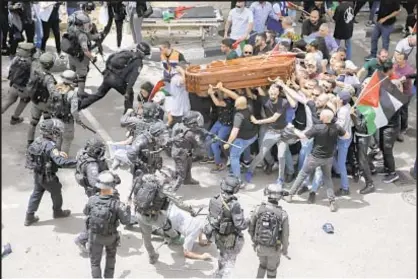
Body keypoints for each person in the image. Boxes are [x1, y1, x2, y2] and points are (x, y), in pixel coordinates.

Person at [285, 109, 350, 212]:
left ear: (323, 118)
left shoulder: (317, 128)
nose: (319, 116)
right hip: (328, 158)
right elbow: (347, 136)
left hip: (314, 157)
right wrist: (339, 130)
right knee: (327, 179)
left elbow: (302, 136)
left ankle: (290, 195)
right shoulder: (337, 127)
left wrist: (293, 128)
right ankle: (332, 202)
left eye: (321, 115)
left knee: (302, 174)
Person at [132, 173, 198, 264]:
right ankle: (176, 238)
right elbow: (178, 203)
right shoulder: (164, 187)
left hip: (139, 213)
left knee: (146, 238)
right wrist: (190, 210)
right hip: (153, 216)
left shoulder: (145, 182)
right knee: (166, 225)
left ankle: (152, 256)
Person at [24, 118, 77, 226]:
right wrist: (77, 162)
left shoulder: (38, 140)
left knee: (36, 193)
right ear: (51, 132)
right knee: (56, 192)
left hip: (38, 174)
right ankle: (57, 211)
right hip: (48, 176)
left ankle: (29, 216)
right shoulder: (50, 146)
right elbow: (61, 162)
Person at [246, 81, 297, 186]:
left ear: (278, 93)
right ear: (268, 92)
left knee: (281, 156)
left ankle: (281, 179)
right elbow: (259, 92)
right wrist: (258, 86)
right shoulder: (265, 100)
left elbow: (275, 117)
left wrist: (257, 121)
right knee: (261, 154)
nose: (273, 94)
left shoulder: (283, 102)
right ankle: (250, 171)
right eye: (271, 92)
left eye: (275, 92)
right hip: (272, 132)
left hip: (283, 133)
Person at [78, 43, 151, 113]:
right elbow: (132, 78)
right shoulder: (138, 62)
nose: (145, 57)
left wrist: (106, 70)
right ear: (141, 53)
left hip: (108, 75)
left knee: (98, 94)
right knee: (130, 95)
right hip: (118, 81)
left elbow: (111, 57)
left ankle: (79, 106)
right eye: (145, 54)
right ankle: (128, 115)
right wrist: (128, 92)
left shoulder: (126, 52)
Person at [84, 171, 131, 278]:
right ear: (112, 186)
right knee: (110, 260)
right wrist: (128, 207)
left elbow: (86, 212)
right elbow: (126, 221)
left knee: (95, 263)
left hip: (95, 236)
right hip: (111, 237)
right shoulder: (116, 203)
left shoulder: (92, 199)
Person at [203, 175, 248, 278]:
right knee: (229, 261)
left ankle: (218, 273)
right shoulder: (234, 204)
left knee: (222, 255)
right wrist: (249, 221)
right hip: (229, 237)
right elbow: (240, 225)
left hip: (217, 235)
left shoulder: (215, 198)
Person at [248, 184, 290, 279]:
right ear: (279, 197)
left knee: (262, 265)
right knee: (272, 269)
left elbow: (251, 226)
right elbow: (285, 235)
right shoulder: (283, 214)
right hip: (274, 249)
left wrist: (254, 241)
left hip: (260, 246)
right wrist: (285, 249)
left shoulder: (258, 209)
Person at [26, 52, 60, 147]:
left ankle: (29, 143)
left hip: (35, 101)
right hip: (46, 103)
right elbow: (53, 92)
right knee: (48, 123)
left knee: (33, 122)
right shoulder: (48, 78)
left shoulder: (35, 70)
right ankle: (47, 143)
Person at [63, 11, 99, 97]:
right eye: (85, 24)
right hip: (80, 58)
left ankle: (68, 91)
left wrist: (97, 35)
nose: (87, 26)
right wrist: (93, 57)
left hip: (71, 56)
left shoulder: (71, 29)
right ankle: (81, 93)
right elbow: (85, 51)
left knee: (72, 73)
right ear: (80, 24)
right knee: (82, 75)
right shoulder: (82, 35)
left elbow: (89, 36)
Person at [224, 96, 258, 187]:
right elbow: (252, 117)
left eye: (236, 103)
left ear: (238, 105)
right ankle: (246, 161)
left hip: (243, 138)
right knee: (244, 147)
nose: (234, 104)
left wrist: (228, 143)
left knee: (234, 156)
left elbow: (235, 131)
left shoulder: (238, 116)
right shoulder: (249, 107)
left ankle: (238, 181)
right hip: (253, 136)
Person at [170, 111, 205, 191]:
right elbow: (201, 146)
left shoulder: (178, 125)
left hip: (182, 150)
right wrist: (211, 141)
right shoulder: (190, 133)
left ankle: (188, 180)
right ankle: (172, 190)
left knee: (189, 164)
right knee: (181, 173)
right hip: (181, 153)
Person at [3, 42, 36, 124]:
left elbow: (10, 71)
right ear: (29, 52)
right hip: (24, 89)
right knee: (25, 100)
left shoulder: (16, 59)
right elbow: (33, 77)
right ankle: (15, 118)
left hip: (13, 86)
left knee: (8, 102)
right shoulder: (31, 63)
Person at [50, 70, 80, 154]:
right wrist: (78, 119)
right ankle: (62, 160)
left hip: (55, 118)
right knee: (67, 140)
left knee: (58, 137)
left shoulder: (57, 87)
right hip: (67, 120)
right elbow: (74, 111)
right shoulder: (72, 93)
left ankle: (55, 157)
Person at [206, 85, 235, 172]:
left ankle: (219, 164)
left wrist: (211, 94)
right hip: (219, 122)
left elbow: (217, 103)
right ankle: (212, 157)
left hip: (226, 125)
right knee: (208, 137)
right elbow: (220, 96)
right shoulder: (225, 98)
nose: (222, 93)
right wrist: (216, 88)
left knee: (215, 144)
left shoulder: (230, 102)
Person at [351, 106, 376, 194]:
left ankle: (370, 184)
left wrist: (353, 115)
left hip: (363, 139)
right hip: (362, 137)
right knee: (363, 158)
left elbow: (361, 127)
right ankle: (372, 169)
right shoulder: (365, 109)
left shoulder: (369, 112)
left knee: (363, 161)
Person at [393, 52, 415, 142]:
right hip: (396, 92)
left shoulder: (409, 70)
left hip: (405, 93)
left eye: (399, 59)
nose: (397, 60)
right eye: (397, 58)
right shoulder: (395, 66)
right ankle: (396, 128)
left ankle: (403, 128)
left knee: (403, 111)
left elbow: (401, 81)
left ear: (404, 61)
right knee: (396, 111)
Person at [167, 62, 191, 128]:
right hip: (177, 113)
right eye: (187, 69)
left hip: (184, 111)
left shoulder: (183, 77)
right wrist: (182, 71)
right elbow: (183, 82)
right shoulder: (176, 78)